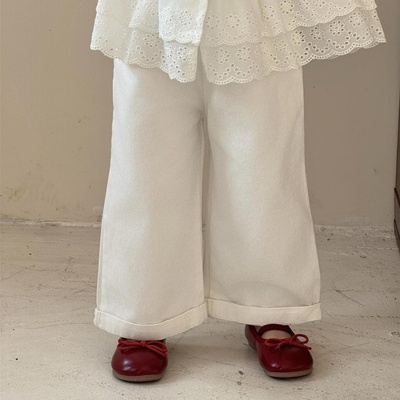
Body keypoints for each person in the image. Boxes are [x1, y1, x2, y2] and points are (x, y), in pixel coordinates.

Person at [89, 0, 386, 382]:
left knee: (264, 166)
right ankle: (142, 317)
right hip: (152, 13)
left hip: (256, 16)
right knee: (145, 165)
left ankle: (268, 309)